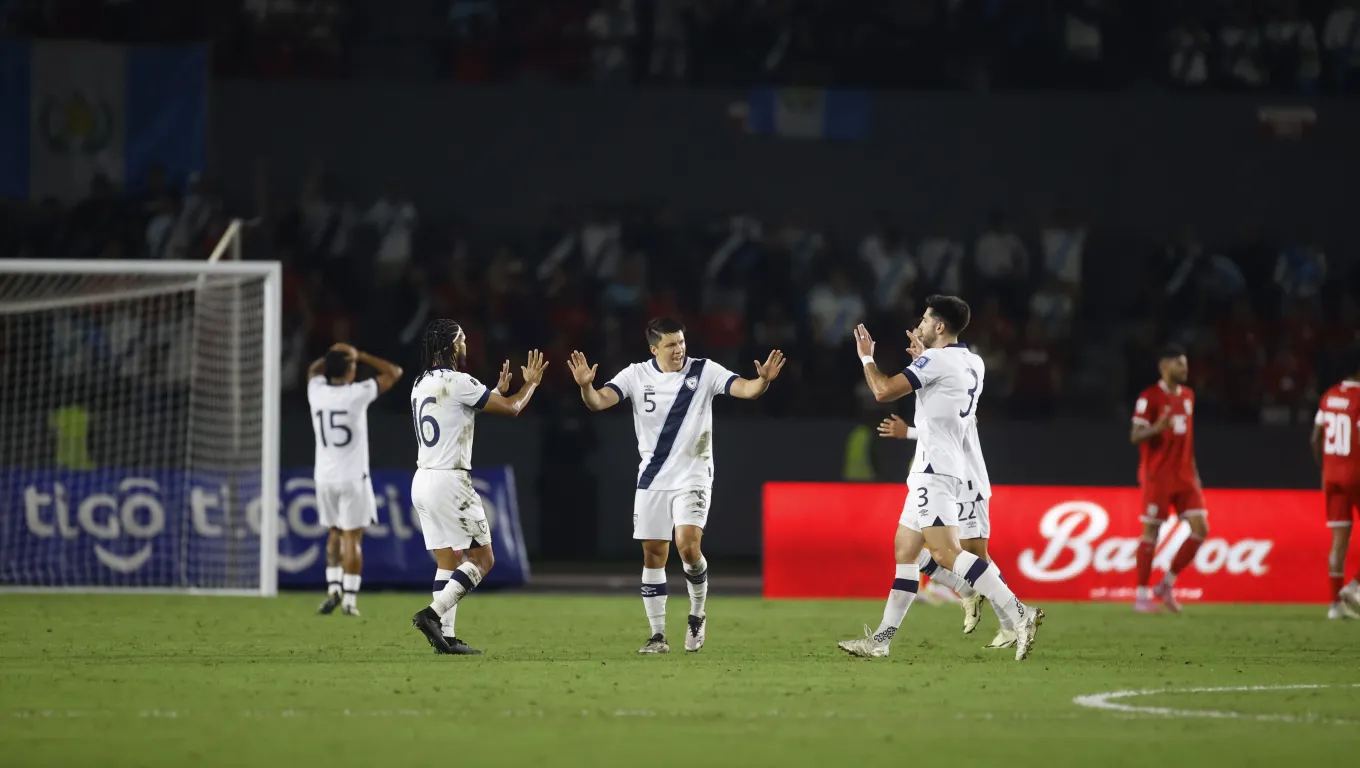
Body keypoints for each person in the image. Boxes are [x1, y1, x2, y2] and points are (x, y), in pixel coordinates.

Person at [838, 296, 1042, 661]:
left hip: (936, 468)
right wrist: (922, 360)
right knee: (905, 551)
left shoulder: (936, 361)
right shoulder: (973, 361)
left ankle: (1018, 611)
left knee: (947, 553)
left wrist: (867, 357)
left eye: (925, 320)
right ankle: (881, 641)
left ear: (940, 327)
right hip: (938, 466)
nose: (920, 324)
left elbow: (882, 391)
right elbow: (944, 399)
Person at [567, 317, 785, 654]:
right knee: (653, 554)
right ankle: (658, 636)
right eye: (670, 345)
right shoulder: (636, 375)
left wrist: (763, 381)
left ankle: (697, 614)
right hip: (653, 478)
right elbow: (598, 402)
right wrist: (585, 387)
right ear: (654, 349)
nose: (679, 349)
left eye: (681, 342)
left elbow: (746, 389)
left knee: (687, 545)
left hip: (693, 475)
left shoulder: (704, 371)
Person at [408, 320, 547, 655]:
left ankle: (448, 639)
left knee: (447, 561)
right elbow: (513, 408)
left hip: (422, 479)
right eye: (463, 339)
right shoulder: (459, 382)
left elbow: (454, 414)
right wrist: (530, 385)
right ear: (452, 346)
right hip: (450, 481)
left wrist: (493, 393)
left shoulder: (420, 383)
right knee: (483, 559)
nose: (467, 344)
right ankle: (432, 614)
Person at [877, 413, 1017, 648]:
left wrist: (908, 432)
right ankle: (965, 590)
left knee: (976, 555)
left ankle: (1011, 624)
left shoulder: (952, 384)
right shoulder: (936, 392)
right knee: (911, 549)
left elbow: (956, 424)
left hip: (965, 484)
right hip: (939, 482)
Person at [307, 342, 403, 617]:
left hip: (324, 478)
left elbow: (311, 371)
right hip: (352, 477)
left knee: (333, 532)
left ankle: (332, 588)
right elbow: (395, 372)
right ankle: (349, 600)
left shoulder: (316, 391)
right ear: (350, 370)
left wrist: (328, 355)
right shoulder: (357, 393)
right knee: (352, 536)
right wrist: (361, 354)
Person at [1130, 344, 1209, 614]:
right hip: (1158, 476)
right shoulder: (1149, 397)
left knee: (1201, 529)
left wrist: (1195, 474)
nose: (1185, 368)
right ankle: (1141, 596)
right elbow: (1135, 436)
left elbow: (1187, 440)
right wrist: (1157, 428)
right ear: (1165, 367)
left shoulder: (1188, 396)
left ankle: (1166, 584)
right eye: (1179, 364)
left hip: (1186, 476)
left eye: (1185, 364)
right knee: (1151, 532)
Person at [1311, 353, 1360, 619]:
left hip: (1332, 477)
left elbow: (1315, 437)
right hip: (1357, 473)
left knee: (1339, 541)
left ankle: (1334, 605)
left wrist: (1326, 468)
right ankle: (1355, 586)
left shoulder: (1329, 395)